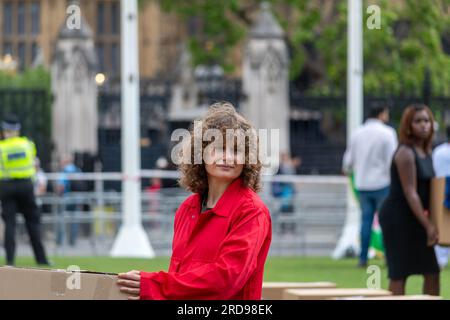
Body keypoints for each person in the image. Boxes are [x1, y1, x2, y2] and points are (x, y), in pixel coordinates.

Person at [117, 102, 272, 300]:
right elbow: (181, 278)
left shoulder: (251, 211)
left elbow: (225, 280)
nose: (227, 157)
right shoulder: (186, 209)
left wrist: (154, 285)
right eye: (218, 148)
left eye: (236, 150)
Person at [379, 104, 440, 296]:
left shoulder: (427, 152)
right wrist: (428, 225)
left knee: (432, 272)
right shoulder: (405, 153)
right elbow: (410, 192)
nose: (423, 125)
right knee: (399, 274)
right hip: (399, 218)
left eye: (427, 121)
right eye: (418, 121)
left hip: (417, 218)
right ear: (408, 126)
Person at [342, 105, 398, 267]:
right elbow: (392, 160)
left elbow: (347, 162)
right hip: (383, 184)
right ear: (382, 114)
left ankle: (363, 258)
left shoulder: (357, 133)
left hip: (363, 184)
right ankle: (389, 256)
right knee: (386, 221)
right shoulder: (388, 133)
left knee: (365, 221)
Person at [0, 114, 49, 266]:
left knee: (10, 224)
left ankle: (10, 261)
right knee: (32, 222)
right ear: (18, 130)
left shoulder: (1, 148)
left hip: (6, 186)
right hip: (26, 186)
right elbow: (34, 164)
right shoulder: (28, 144)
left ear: (4, 130)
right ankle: (41, 259)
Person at [432, 125, 450, 269]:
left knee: (443, 225)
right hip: (445, 187)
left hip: (440, 187)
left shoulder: (438, 151)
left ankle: (440, 259)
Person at [56, 154, 82, 247]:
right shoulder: (78, 170)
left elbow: (61, 186)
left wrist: (58, 195)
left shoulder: (63, 172)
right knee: (74, 221)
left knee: (60, 220)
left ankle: (59, 241)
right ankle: (72, 241)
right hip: (77, 199)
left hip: (65, 199)